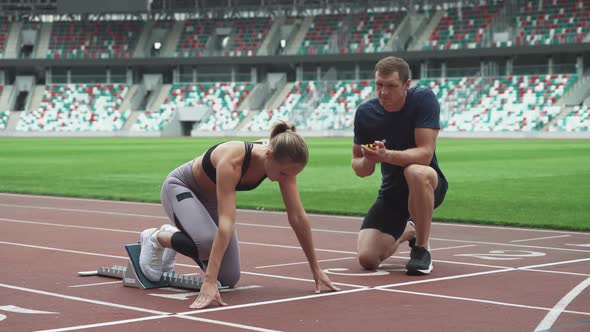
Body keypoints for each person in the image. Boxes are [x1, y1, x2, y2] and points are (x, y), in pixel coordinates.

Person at [138, 120, 340, 309]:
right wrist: (208, 281)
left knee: (229, 278)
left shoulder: (283, 161)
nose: (286, 179)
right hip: (181, 189)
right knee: (207, 242)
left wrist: (315, 267)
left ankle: (181, 232)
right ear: (269, 155)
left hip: (211, 200)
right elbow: (226, 221)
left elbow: (297, 217)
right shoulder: (233, 160)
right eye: (284, 174)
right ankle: (156, 238)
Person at [351, 56, 448, 276]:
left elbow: (424, 154)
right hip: (393, 195)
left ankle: (422, 249)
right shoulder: (366, 113)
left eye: (391, 86)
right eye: (379, 85)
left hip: (428, 185)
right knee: (367, 259)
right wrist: (369, 160)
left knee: (415, 171)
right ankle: (410, 230)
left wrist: (386, 155)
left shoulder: (423, 99)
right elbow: (359, 167)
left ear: (406, 85)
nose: (383, 92)